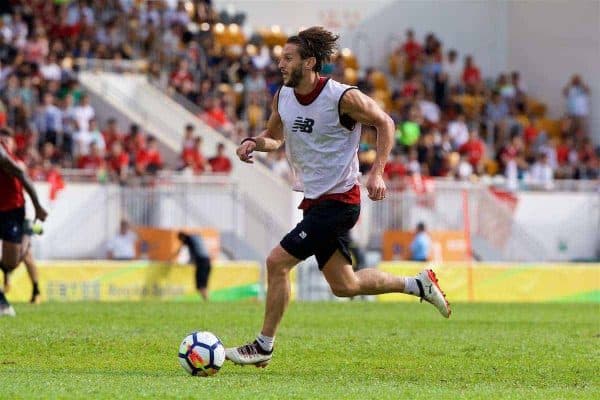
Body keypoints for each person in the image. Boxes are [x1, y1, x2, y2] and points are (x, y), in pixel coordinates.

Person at [226, 27, 451, 368]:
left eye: (288, 58)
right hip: (315, 203)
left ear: (310, 62)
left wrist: (377, 172)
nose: (281, 64)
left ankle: (263, 346)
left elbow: (385, 123)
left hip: (340, 202)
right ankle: (418, 285)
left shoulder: (342, 97)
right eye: (280, 58)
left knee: (276, 263)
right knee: (345, 285)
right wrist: (254, 143)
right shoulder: (282, 97)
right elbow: (274, 137)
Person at [0, 127, 48, 317]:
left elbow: (22, 176)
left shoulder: (4, 158)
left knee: (11, 262)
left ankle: (26, 235)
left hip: (12, 211)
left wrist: (38, 207)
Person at [3, 220, 42, 304]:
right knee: (9, 253)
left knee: (25, 254)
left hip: (20, 219)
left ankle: (36, 291)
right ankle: (6, 276)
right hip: (7, 217)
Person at [176, 232, 212, 301]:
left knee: (200, 283)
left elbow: (190, 253)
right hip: (207, 261)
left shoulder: (189, 240)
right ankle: (206, 299)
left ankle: (206, 299)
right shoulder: (194, 238)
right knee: (203, 283)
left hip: (202, 262)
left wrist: (187, 262)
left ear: (182, 238)